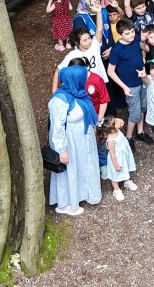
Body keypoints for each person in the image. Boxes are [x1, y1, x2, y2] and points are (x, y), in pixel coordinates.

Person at [48, 66, 102, 215]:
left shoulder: (80, 93)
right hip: (70, 142)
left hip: (82, 140)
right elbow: (57, 127)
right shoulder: (60, 100)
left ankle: (83, 194)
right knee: (70, 170)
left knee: (82, 167)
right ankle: (66, 203)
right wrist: (61, 150)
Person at [99, 117, 138, 201]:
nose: (117, 124)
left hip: (123, 156)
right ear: (111, 130)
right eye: (114, 124)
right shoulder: (111, 140)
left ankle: (127, 181)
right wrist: (116, 165)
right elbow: (112, 154)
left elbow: (121, 121)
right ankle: (116, 190)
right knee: (115, 174)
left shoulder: (116, 129)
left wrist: (115, 120)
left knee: (125, 168)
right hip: (116, 159)